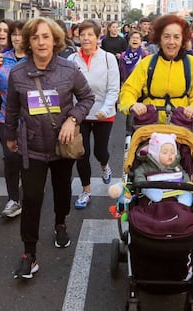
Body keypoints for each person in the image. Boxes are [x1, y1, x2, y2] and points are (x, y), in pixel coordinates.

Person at [5, 17, 94, 279]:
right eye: (35, 37)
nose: (41, 42)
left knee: (62, 189)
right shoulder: (18, 73)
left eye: (45, 37)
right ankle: (29, 253)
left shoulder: (69, 70)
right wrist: (10, 135)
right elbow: (11, 108)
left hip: (62, 145)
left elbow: (87, 97)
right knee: (31, 198)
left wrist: (73, 118)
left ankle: (60, 222)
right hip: (31, 146)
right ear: (29, 42)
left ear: (55, 40)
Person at [67, 19, 120, 209]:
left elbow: (114, 88)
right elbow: (67, 88)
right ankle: (86, 191)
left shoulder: (108, 58)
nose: (86, 38)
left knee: (100, 151)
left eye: (90, 34)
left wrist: (105, 109)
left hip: (103, 114)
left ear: (98, 37)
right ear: (78, 37)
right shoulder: (72, 60)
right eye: (83, 35)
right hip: (80, 113)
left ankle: (105, 166)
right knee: (82, 153)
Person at [120, 15, 193, 124]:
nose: (171, 42)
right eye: (166, 36)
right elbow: (128, 89)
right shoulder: (147, 63)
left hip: (181, 124)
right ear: (159, 39)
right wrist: (133, 104)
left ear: (182, 40)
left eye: (176, 37)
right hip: (149, 125)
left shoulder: (192, 64)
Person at [133, 132, 193, 240]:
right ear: (155, 153)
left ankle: (184, 208)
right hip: (154, 202)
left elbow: (185, 177)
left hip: (176, 200)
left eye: (172, 152)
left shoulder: (177, 167)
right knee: (149, 196)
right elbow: (138, 176)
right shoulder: (146, 167)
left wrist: (188, 185)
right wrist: (143, 185)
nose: (170, 155)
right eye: (165, 152)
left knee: (187, 195)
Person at [0, 20, 26, 217]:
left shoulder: (35, 59)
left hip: (31, 120)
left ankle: (30, 194)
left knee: (29, 160)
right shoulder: (3, 58)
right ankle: (13, 200)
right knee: (10, 158)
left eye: (21, 34)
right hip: (6, 117)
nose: (17, 37)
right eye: (14, 34)